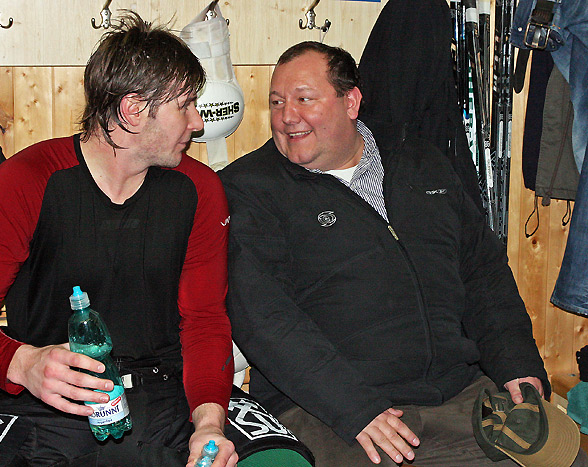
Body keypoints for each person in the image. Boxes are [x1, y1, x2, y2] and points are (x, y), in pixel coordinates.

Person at [218, 41, 581, 466]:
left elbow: (484, 275)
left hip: (458, 395)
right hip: (330, 411)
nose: (287, 116)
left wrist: (517, 366)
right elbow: (264, 319)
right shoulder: (249, 189)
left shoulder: (422, 162)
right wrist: (355, 408)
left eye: (304, 99)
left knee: (566, 459)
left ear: (350, 102)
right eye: (277, 102)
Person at [0, 11, 239, 467]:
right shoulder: (25, 180)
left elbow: (205, 321)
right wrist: (24, 364)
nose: (197, 121)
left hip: (168, 397)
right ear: (134, 110)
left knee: (280, 459)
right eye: (185, 105)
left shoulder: (200, 188)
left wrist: (209, 424)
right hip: (43, 399)